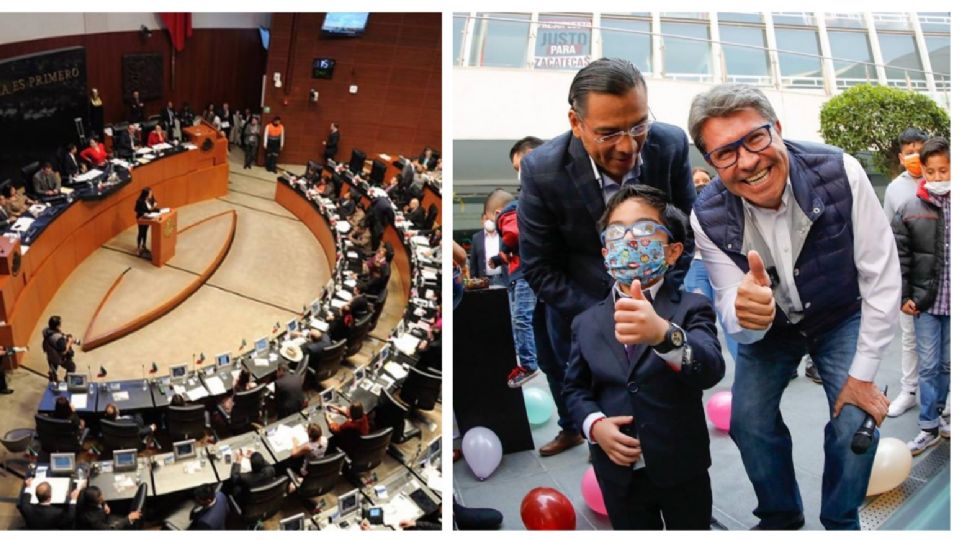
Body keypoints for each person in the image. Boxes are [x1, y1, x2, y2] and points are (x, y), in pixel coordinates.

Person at [688, 83, 899, 530]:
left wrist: (862, 376)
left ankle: (841, 519)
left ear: (778, 129)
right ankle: (781, 516)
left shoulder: (841, 170)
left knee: (854, 421)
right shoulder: (705, 214)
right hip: (774, 332)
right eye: (725, 153)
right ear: (711, 162)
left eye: (756, 139)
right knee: (748, 422)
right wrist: (744, 315)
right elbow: (730, 304)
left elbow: (881, 279)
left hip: (841, 314)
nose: (747, 161)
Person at [518, 58, 695, 457]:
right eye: (609, 133)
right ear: (576, 123)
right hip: (582, 311)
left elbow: (687, 232)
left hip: (660, 311)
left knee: (667, 411)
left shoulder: (670, 144)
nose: (629, 146)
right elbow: (539, 267)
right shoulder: (542, 170)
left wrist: (660, 301)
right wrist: (605, 315)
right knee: (600, 415)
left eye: (638, 125)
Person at [564, 185, 724, 529]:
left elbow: (709, 369)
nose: (630, 240)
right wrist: (595, 425)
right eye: (618, 232)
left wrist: (663, 335)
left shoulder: (691, 307)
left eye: (644, 230)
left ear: (672, 251)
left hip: (682, 466)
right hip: (618, 469)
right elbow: (574, 390)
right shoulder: (586, 321)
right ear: (606, 252)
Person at [892, 136, 951, 455]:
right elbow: (899, 258)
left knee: (946, 364)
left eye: (944, 170)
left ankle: (941, 415)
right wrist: (904, 296)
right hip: (926, 303)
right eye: (932, 172)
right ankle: (927, 424)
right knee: (927, 364)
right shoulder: (910, 208)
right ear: (922, 172)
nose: (939, 178)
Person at [883, 127, 929, 418]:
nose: (915, 157)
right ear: (901, 158)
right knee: (910, 338)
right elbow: (889, 236)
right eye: (909, 151)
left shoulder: (945, 178)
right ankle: (909, 390)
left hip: (939, 277)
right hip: (909, 276)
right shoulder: (894, 189)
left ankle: (945, 393)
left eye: (919, 150)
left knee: (945, 339)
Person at [682, 166, 740, 366]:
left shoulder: (722, 204)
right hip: (696, 266)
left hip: (720, 264)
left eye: (704, 181)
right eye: (696, 183)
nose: (701, 186)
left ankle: (742, 364)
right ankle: (700, 362)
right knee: (700, 314)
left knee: (730, 316)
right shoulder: (685, 205)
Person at [487, 189, 540, 388]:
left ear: (496, 212)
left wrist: (505, 247)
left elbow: (513, 236)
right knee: (528, 318)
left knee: (521, 318)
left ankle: (528, 364)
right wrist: (498, 258)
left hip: (524, 275)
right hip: (527, 272)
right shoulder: (525, 214)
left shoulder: (508, 213)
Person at [75, 485, 141, 529]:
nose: (102, 498)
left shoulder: (88, 497)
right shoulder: (93, 520)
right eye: (99, 498)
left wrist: (104, 504)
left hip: (104, 517)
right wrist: (128, 519)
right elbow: (110, 530)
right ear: (92, 502)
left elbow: (101, 500)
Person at [42, 315, 77, 383]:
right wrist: (69, 342)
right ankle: (68, 381)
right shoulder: (58, 338)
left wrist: (65, 337)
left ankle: (52, 381)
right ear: (57, 326)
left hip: (50, 356)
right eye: (60, 323)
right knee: (72, 366)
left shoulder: (47, 331)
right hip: (58, 358)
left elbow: (55, 338)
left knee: (53, 370)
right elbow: (63, 351)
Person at [134, 188, 158, 257]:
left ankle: (144, 246)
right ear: (146, 194)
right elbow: (136, 209)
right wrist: (143, 213)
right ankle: (138, 248)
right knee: (141, 232)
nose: (151, 194)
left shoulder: (150, 199)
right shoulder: (139, 201)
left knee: (145, 232)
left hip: (148, 218)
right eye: (150, 193)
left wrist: (155, 207)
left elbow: (152, 207)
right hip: (141, 219)